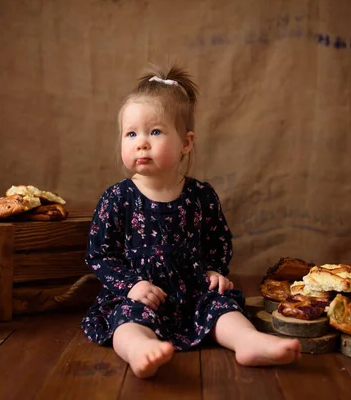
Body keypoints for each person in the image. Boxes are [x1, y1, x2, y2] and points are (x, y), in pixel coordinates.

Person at [81, 64, 301, 378]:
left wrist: (215, 270)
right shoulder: (118, 198)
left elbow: (218, 240)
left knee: (222, 308)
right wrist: (131, 285)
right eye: (131, 133)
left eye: (155, 132)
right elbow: (100, 255)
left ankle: (248, 342)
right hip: (143, 294)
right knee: (127, 320)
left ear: (186, 142)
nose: (141, 142)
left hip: (192, 291)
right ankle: (138, 349)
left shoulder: (200, 195)